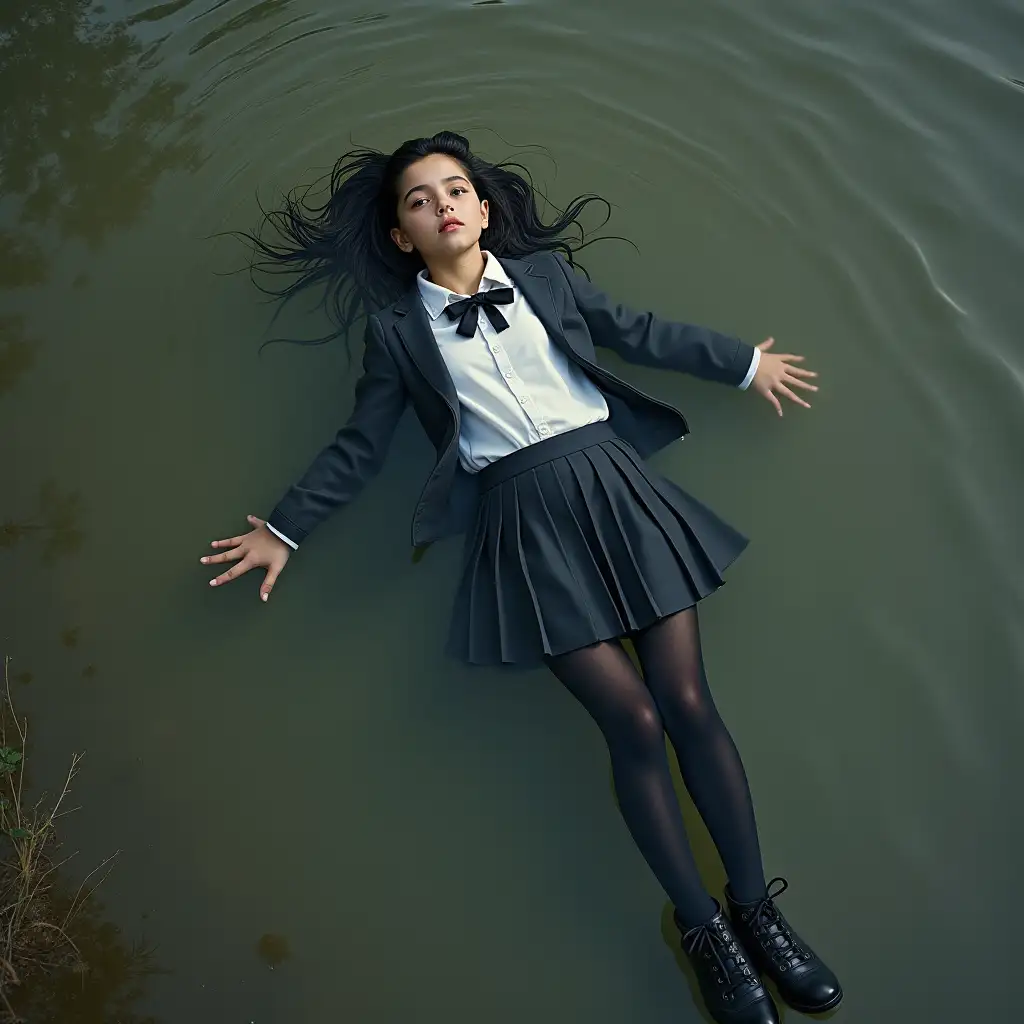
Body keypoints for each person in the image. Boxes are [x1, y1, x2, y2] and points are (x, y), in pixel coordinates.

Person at [199, 131, 841, 1024]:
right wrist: (283, 531)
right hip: (519, 525)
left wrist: (744, 363)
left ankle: (759, 912)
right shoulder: (397, 334)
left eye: (455, 189)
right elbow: (360, 445)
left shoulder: (548, 278)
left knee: (690, 703)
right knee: (634, 721)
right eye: (419, 200)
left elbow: (636, 330)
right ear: (401, 237)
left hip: (616, 490)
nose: (442, 205)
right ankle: (706, 935)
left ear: (485, 208)